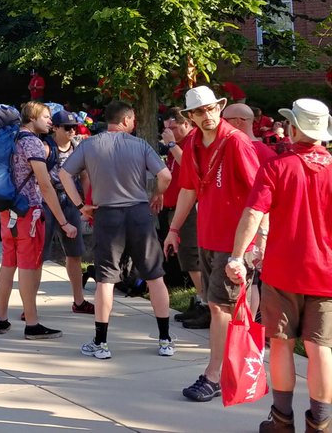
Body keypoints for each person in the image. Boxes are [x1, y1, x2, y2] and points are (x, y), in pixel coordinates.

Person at [226, 98, 332, 433]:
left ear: (296, 127)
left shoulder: (277, 167)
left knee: (282, 344)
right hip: (327, 274)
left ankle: (281, 421)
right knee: (320, 349)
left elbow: (253, 213)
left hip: (283, 270)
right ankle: (322, 424)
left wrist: (237, 255)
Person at [164, 85, 263, 403]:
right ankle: (248, 365)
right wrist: (174, 228)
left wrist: (258, 241)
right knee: (231, 307)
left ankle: (214, 375)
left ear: (219, 107)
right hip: (207, 237)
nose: (207, 115)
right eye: (199, 111)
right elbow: (188, 189)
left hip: (234, 242)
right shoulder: (192, 142)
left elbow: (260, 195)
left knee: (220, 307)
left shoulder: (236, 142)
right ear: (190, 116)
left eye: (211, 108)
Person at [60, 101, 174, 360]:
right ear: (126, 120)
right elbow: (165, 175)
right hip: (138, 212)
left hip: (106, 214)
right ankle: (165, 339)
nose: (134, 123)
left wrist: (81, 205)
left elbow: (65, 173)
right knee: (155, 275)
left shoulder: (89, 145)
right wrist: (157, 194)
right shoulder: (141, 145)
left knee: (105, 279)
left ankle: (101, 342)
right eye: (132, 119)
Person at [0, 101, 77, 341]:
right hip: (28, 212)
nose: (50, 121)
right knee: (28, 267)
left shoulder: (12, 139)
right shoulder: (31, 142)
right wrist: (63, 221)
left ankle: (1, 319)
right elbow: (45, 184)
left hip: (8, 209)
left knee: (8, 263)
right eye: (46, 116)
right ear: (32, 118)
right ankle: (32, 324)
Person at [159, 108, 207, 326]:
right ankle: (199, 301)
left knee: (192, 256)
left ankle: (206, 305)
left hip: (188, 210)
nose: (169, 132)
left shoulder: (191, 142)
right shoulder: (178, 146)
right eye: (167, 128)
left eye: (174, 127)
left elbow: (190, 168)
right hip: (173, 207)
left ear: (187, 124)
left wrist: (171, 145)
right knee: (185, 259)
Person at [44, 110, 94, 315]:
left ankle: (79, 301)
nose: (72, 131)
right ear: (55, 128)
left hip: (71, 202)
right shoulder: (46, 148)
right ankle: (29, 306)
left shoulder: (77, 148)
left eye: (74, 127)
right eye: (67, 127)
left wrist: (84, 205)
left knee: (75, 254)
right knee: (38, 257)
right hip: (47, 203)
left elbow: (84, 176)